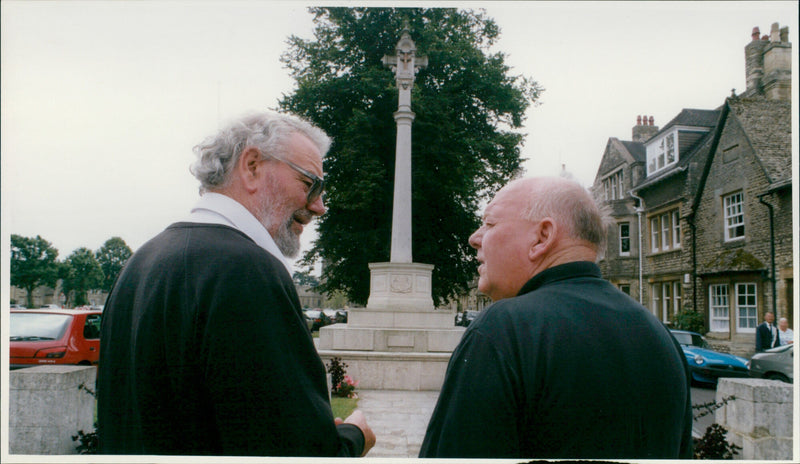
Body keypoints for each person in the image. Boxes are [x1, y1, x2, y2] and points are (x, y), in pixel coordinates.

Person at [97, 112, 375, 457]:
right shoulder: (249, 271)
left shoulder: (139, 263)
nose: (319, 206)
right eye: (309, 184)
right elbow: (294, 450)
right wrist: (354, 436)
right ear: (253, 166)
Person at [419, 177, 692, 459]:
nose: (474, 238)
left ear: (542, 237)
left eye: (489, 224)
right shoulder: (661, 336)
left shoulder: (503, 329)